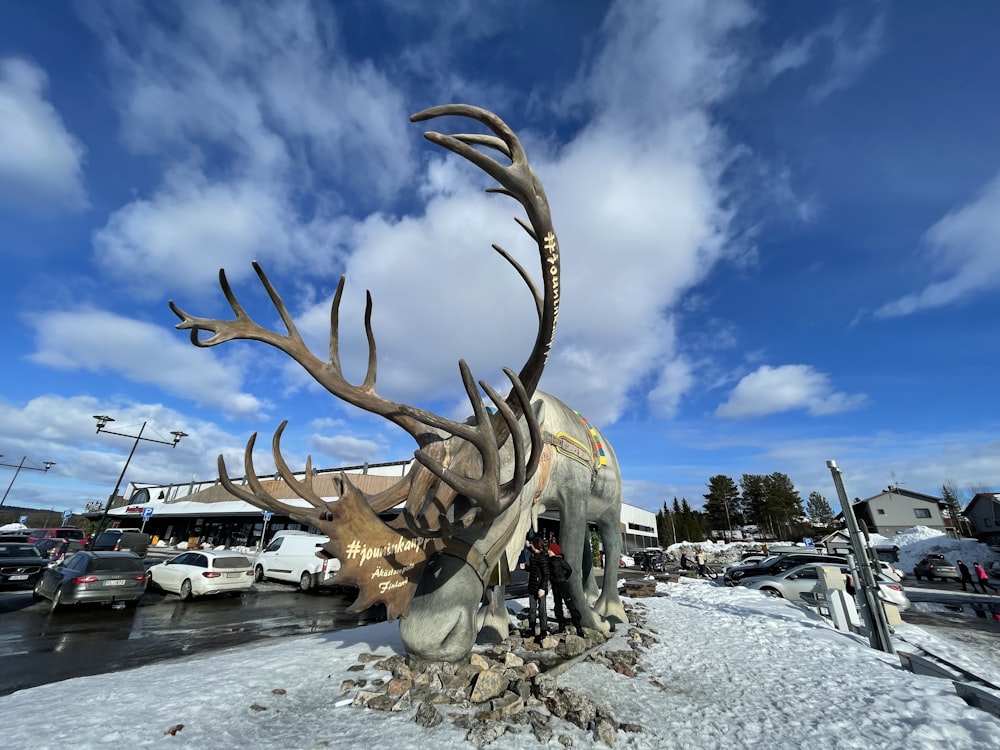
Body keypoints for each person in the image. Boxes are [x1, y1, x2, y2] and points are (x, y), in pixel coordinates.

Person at [547, 541, 585, 637]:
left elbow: (569, 569)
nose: (548, 551)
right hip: (556, 585)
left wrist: (564, 578)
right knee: (558, 605)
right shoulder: (550, 560)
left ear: (554, 551)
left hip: (562, 585)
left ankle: (578, 626)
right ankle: (562, 625)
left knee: (569, 604)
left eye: (550, 550)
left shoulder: (559, 560)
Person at [525, 537, 550, 640]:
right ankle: (532, 629)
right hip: (532, 586)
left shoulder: (543, 558)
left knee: (542, 610)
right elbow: (533, 569)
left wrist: (543, 588)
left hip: (540, 588)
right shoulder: (533, 556)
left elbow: (546, 574)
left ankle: (543, 630)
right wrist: (526, 568)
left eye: (533, 545)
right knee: (532, 609)